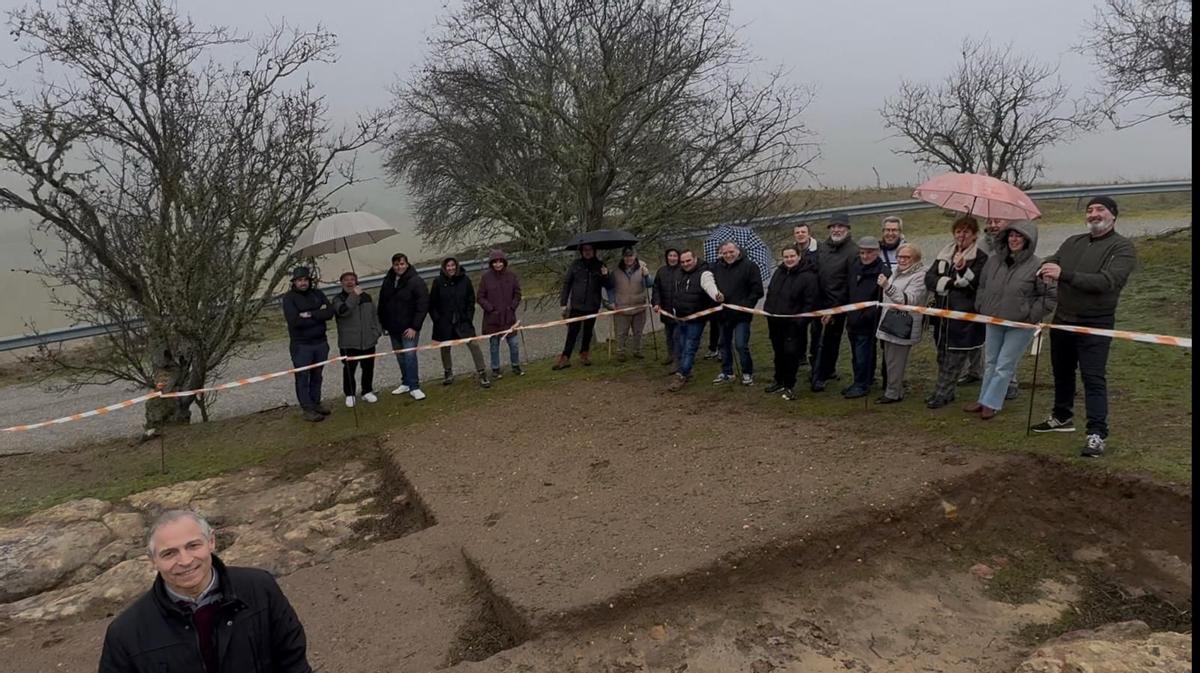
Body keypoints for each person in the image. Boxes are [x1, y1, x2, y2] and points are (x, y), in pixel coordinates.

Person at [99, 510, 311, 673]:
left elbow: (293, 660)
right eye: (169, 553)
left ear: (211, 542)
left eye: (192, 546)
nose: (185, 561)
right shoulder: (125, 633)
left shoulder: (260, 589)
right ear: (153, 560)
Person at [1032, 196, 1136, 458]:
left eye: (1100, 209)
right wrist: (1045, 266)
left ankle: (1096, 434)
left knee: (1093, 378)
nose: (1093, 214)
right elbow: (1052, 259)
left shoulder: (1122, 247)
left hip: (1095, 324)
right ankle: (1062, 416)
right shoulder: (1072, 242)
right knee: (1062, 372)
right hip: (1063, 319)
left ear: (1113, 215)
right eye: (1089, 210)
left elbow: (1106, 282)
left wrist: (1063, 274)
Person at [967, 220, 1056, 419]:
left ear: (1028, 240)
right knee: (990, 362)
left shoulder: (1038, 265)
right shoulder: (993, 260)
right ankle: (983, 399)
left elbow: (1049, 297)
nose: (1014, 240)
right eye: (1011, 235)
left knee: (1004, 365)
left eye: (1019, 236)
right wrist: (982, 305)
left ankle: (992, 402)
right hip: (994, 320)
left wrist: (1029, 317)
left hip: (1019, 325)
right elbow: (982, 285)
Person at [924, 215, 988, 409]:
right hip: (942, 314)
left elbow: (973, 285)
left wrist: (961, 270)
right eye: (958, 231)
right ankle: (945, 391)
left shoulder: (980, 258)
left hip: (963, 315)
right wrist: (951, 283)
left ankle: (942, 393)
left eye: (966, 232)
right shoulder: (945, 253)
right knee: (942, 354)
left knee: (955, 356)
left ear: (975, 235)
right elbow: (930, 278)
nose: (961, 235)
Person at [763, 244, 820, 400]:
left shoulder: (808, 277)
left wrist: (800, 322)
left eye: (792, 256)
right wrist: (768, 312)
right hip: (775, 322)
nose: (789, 259)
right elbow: (771, 294)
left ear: (799, 257)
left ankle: (789, 385)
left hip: (794, 325)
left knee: (791, 354)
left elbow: (810, 302)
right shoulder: (779, 273)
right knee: (778, 353)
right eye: (786, 257)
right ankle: (778, 380)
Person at [875, 243, 929, 404]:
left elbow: (909, 300)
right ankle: (894, 390)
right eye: (899, 256)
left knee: (896, 361)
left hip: (904, 325)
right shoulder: (895, 271)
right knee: (890, 359)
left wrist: (887, 286)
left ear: (916, 259)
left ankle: (892, 393)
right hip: (889, 321)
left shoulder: (920, 276)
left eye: (907, 257)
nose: (902, 260)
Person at [811, 212, 858, 392]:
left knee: (829, 340)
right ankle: (821, 369)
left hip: (837, 304)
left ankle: (822, 374)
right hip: (818, 303)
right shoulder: (823, 248)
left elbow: (849, 283)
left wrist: (834, 309)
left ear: (847, 229)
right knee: (816, 338)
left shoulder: (852, 251)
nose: (837, 230)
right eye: (834, 227)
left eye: (841, 227)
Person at [281, 266, 334, 422]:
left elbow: (329, 312)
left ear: (309, 281)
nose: (303, 283)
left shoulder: (317, 294)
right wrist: (318, 315)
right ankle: (307, 408)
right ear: (294, 282)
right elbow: (295, 321)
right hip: (302, 345)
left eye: (305, 280)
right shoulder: (289, 298)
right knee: (303, 377)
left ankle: (316, 403)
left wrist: (309, 314)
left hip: (321, 342)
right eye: (299, 280)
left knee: (317, 375)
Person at [663, 249, 721, 392]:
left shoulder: (704, 273)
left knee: (690, 347)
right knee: (680, 346)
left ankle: (681, 375)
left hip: (696, 318)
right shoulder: (679, 273)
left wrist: (716, 295)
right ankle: (686, 369)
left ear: (695, 258)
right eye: (682, 262)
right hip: (680, 317)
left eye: (688, 261)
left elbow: (709, 286)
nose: (685, 264)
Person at [841, 236, 890, 398]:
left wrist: (867, 316)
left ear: (877, 252)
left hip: (868, 321)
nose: (865, 256)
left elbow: (881, 299)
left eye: (869, 252)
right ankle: (862, 380)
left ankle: (862, 384)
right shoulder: (855, 266)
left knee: (864, 354)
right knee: (856, 354)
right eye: (862, 252)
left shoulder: (883, 271)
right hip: (852, 318)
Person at [429, 257, 490, 388]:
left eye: (453, 265)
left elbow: (470, 300)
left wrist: (468, 317)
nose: (450, 268)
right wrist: (438, 320)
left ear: (456, 266)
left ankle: (482, 372)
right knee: (445, 348)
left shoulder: (465, 280)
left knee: (474, 345)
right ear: (444, 268)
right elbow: (432, 304)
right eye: (448, 266)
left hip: (463, 321)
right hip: (444, 323)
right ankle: (448, 372)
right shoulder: (438, 282)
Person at [711, 241, 765, 385]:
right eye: (725, 253)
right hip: (723, 314)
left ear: (738, 251)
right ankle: (727, 372)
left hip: (742, 314)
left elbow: (758, 291)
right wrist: (715, 296)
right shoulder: (716, 267)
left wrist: (745, 305)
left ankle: (747, 372)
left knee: (741, 344)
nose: (728, 255)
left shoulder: (750, 266)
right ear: (721, 253)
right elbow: (710, 286)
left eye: (731, 252)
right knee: (723, 344)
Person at [978, 216, 1019, 399]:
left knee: (1007, 351)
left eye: (998, 221)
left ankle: (1010, 383)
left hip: (1009, 304)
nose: (993, 225)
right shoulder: (981, 243)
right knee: (990, 351)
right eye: (989, 221)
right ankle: (987, 388)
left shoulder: (1016, 242)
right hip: (989, 302)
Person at [378, 253, 429, 401]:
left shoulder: (416, 281)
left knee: (410, 356)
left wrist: (415, 326)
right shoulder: (388, 281)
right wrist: (383, 323)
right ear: (392, 266)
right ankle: (406, 382)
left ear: (406, 264)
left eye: (402, 264)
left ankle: (415, 386)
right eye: (396, 264)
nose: (399, 267)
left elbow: (423, 305)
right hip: (393, 327)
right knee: (400, 356)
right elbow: (382, 303)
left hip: (409, 328)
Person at [554, 244, 612, 370]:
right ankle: (565, 357)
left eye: (590, 250)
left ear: (594, 251)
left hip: (592, 305)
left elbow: (608, 285)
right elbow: (567, 283)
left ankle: (584, 354)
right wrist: (563, 303)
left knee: (588, 332)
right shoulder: (575, 264)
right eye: (585, 250)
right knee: (572, 332)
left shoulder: (601, 265)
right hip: (576, 305)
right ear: (581, 252)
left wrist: (605, 275)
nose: (587, 252)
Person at [331, 271, 383, 408]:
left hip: (368, 340)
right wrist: (354, 296)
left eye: (352, 279)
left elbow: (374, 315)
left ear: (356, 282)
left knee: (368, 368)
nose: (349, 282)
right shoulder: (338, 299)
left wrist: (376, 331)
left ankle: (367, 391)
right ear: (341, 283)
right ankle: (350, 394)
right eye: (346, 280)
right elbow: (343, 311)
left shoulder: (366, 297)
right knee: (349, 369)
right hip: (349, 342)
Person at [477, 248, 524, 379]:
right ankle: (496, 369)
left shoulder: (511, 276)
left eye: (500, 261)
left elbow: (517, 293)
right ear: (491, 263)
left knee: (514, 344)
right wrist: (490, 309)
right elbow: (480, 297)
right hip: (493, 319)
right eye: (495, 262)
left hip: (509, 318)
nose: (498, 264)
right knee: (494, 345)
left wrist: (512, 307)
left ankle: (515, 366)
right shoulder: (485, 278)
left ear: (504, 262)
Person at [609, 246, 653, 362]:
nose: (629, 258)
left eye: (631, 256)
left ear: (635, 256)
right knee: (621, 332)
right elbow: (610, 288)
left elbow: (650, 284)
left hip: (639, 306)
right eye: (626, 256)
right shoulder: (615, 271)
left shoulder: (643, 268)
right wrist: (611, 302)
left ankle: (637, 351)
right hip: (621, 307)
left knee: (638, 332)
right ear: (623, 257)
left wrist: (647, 275)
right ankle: (620, 352)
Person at [792, 222, 822, 368]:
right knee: (799, 328)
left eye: (803, 232)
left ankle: (815, 357)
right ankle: (800, 355)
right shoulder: (792, 251)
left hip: (817, 298)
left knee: (816, 331)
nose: (800, 235)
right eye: (797, 232)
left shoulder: (820, 250)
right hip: (799, 299)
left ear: (809, 234)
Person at [651, 248, 682, 368]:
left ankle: (678, 361)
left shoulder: (682, 270)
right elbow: (656, 289)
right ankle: (671, 355)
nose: (672, 258)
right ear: (667, 257)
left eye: (675, 256)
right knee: (669, 335)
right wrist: (656, 303)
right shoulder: (661, 271)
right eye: (670, 256)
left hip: (679, 310)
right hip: (666, 309)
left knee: (677, 336)